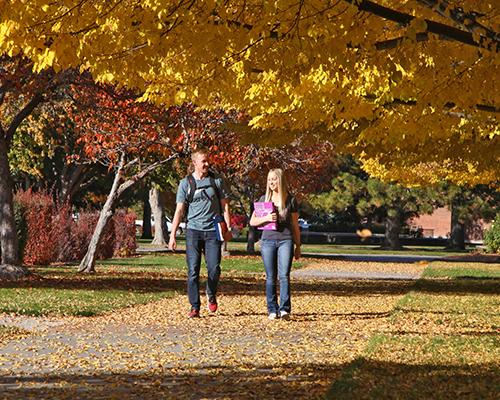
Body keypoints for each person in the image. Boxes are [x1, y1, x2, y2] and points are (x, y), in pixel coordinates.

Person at [169, 149, 232, 318]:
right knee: (193, 271)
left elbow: (225, 206)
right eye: (203, 161)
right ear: (195, 163)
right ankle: (194, 306)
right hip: (193, 231)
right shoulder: (186, 183)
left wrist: (228, 228)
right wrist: (172, 235)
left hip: (213, 231)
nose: (206, 164)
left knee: (214, 268)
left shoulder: (216, 181)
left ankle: (211, 294)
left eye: (207, 161)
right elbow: (179, 210)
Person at [249, 168, 301, 320]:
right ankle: (272, 309)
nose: (272, 182)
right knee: (271, 276)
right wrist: (266, 219)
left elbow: (295, 225)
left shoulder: (290, 200)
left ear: (281, 180)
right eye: (269, 179)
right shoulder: (263, 200)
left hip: (286, 240)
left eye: (274, 179)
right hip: (267, 241)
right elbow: (252, 221)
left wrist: (298, 246)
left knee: (284, 275)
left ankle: (285, 309)